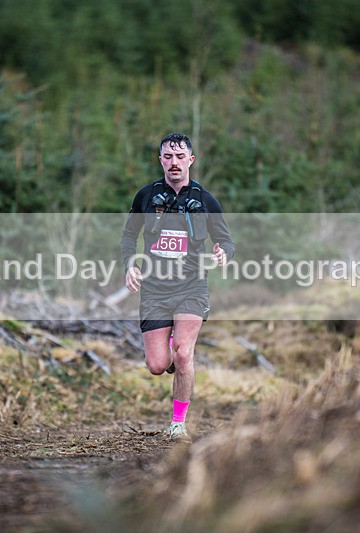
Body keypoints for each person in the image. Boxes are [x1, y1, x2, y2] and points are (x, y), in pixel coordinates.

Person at [120, 132, 234, 442]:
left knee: (184, 355)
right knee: (158, 365)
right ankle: (169, 350)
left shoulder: (205, 200)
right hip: (155, 291)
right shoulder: (145, 196)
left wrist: (223, 251)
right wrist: (130, 264)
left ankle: (177, 423)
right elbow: (129, 236)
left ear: (191, 160)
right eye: (168, 157)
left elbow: (226, 239)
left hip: (191, 288)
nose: (174, 162)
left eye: (180, 157)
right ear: (160, 160)